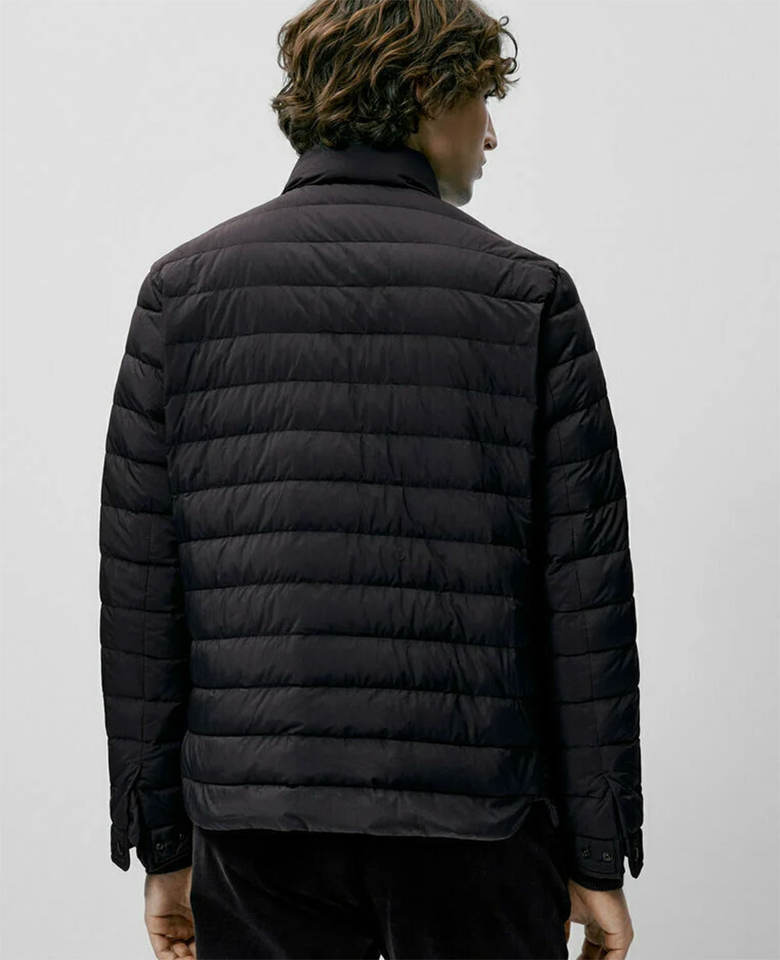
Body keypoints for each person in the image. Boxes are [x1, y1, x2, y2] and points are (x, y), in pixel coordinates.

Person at [98, 1, 644, 957]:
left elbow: (145, 597)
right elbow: (585, 603)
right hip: (478, 824)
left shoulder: (182, 294)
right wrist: (596, 858)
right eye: (480, 98)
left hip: (258, 824)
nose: (490, 132)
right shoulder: (527, 297)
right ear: (427, 96)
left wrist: (165, 845)